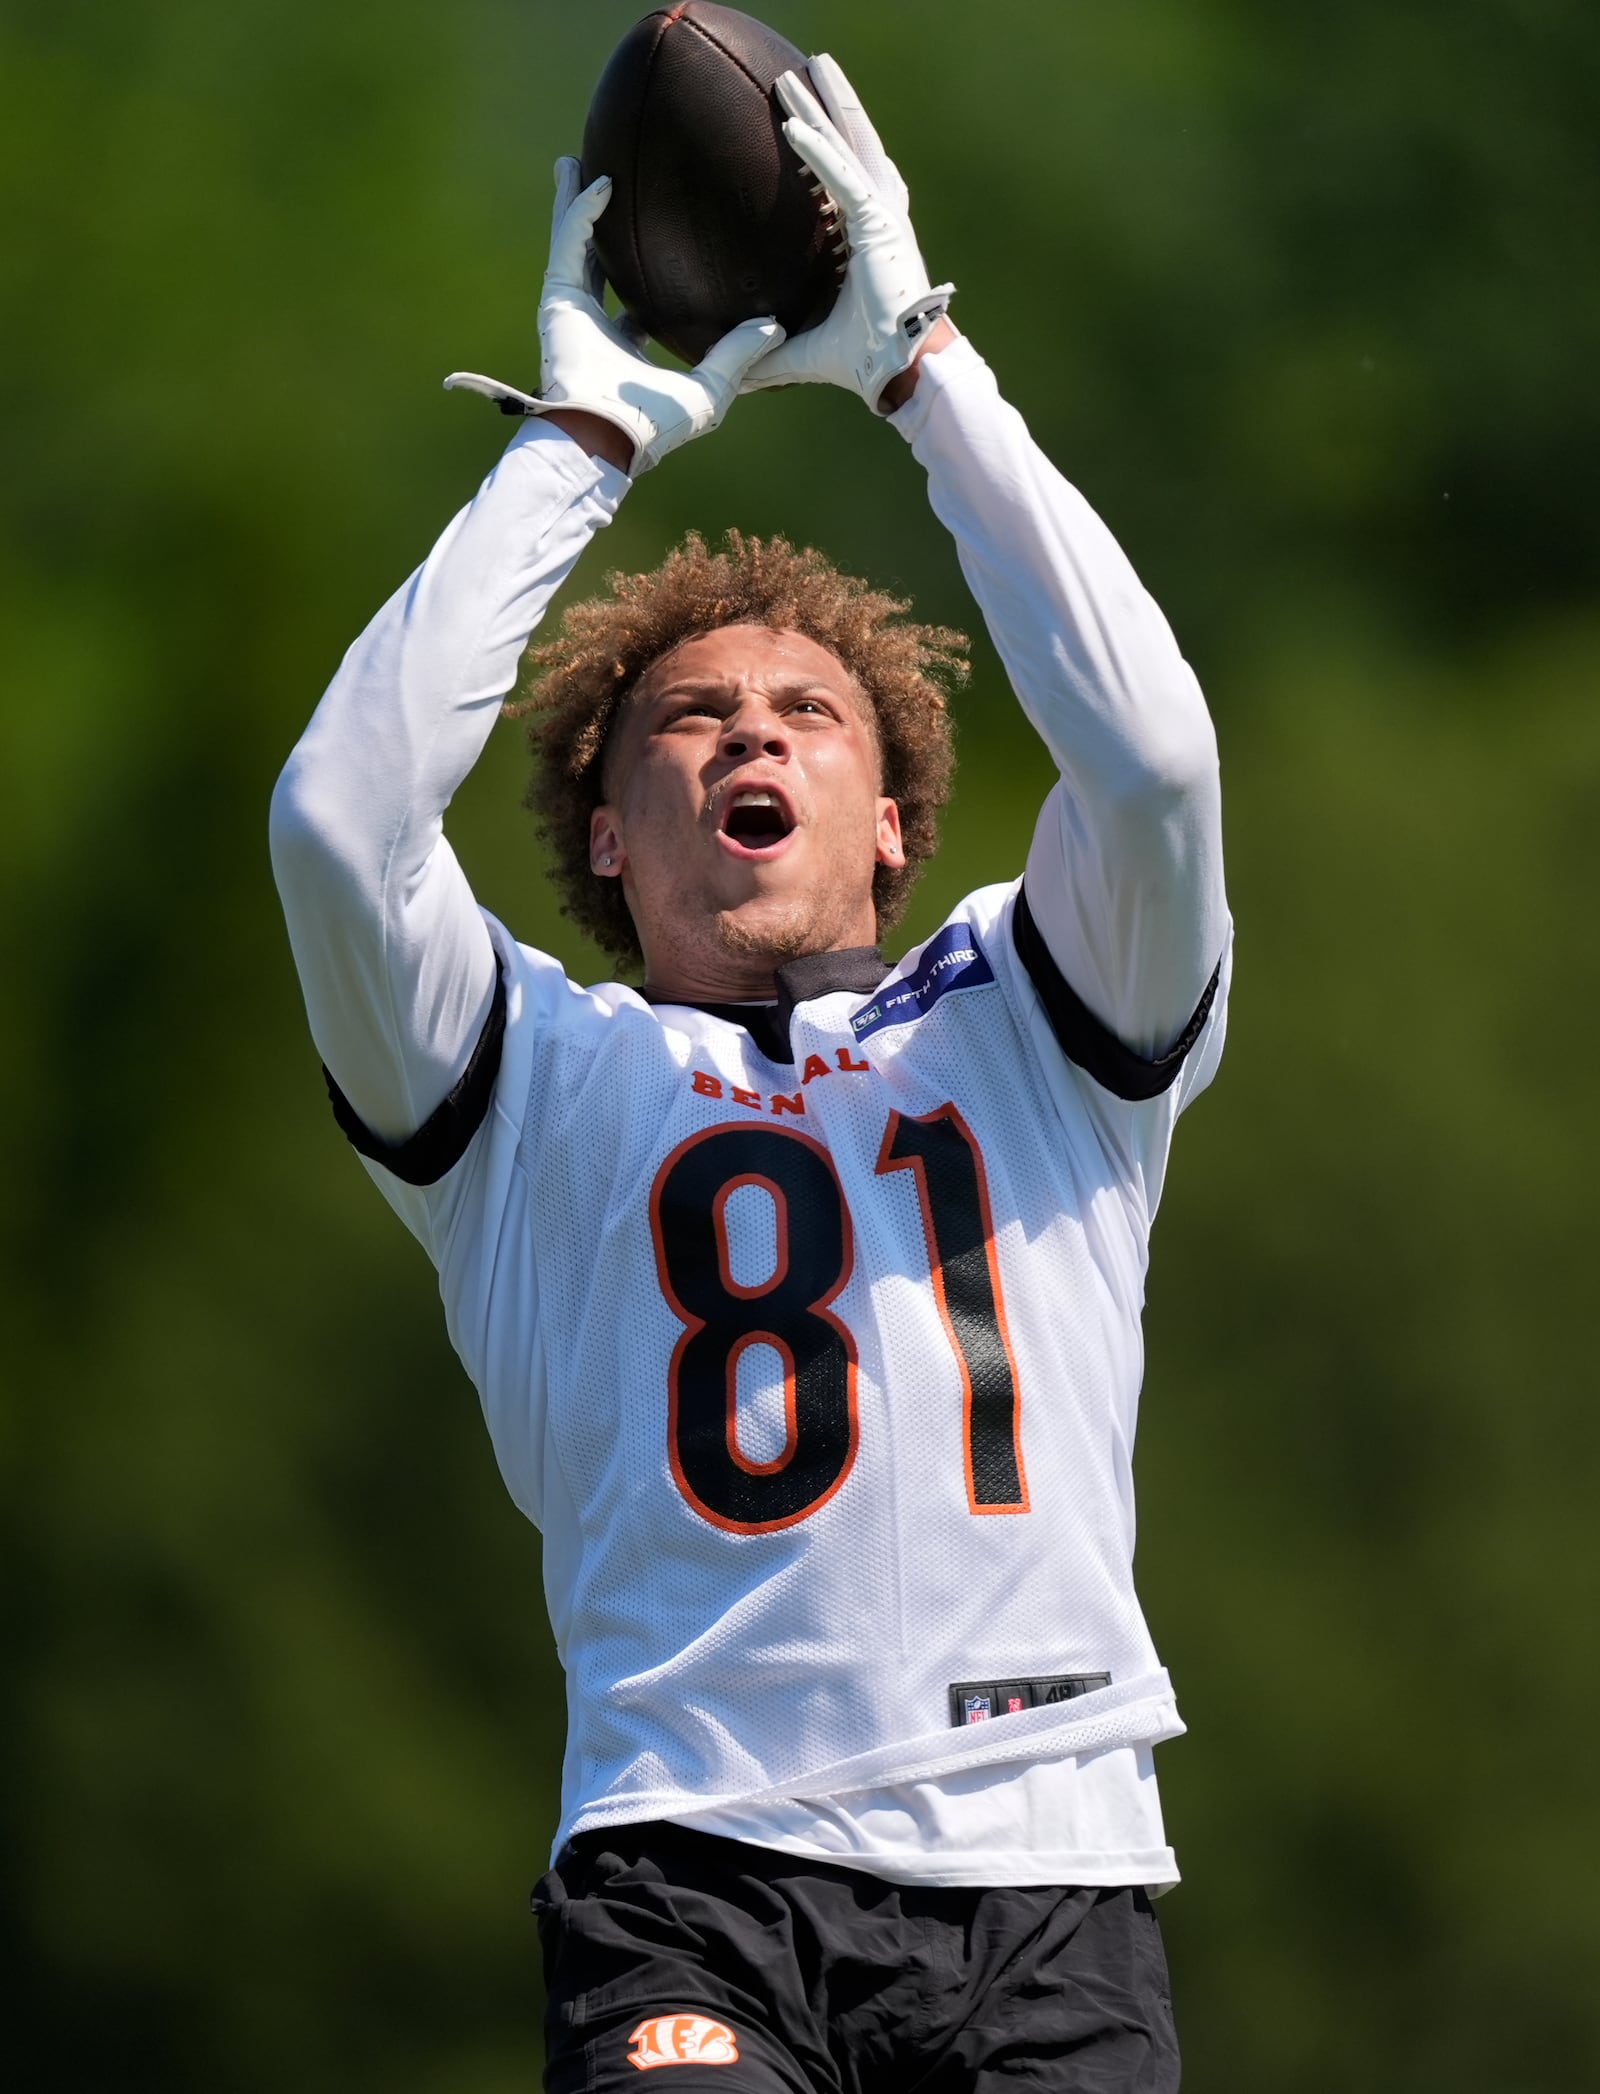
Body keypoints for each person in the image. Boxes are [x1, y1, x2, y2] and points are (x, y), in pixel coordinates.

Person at [271, 56, 1230, 2094]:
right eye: (687, 723)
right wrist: (581, 437)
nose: (747, 741)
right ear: (606, 837)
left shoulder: (1036, 1020)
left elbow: (1147, 763)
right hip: (688, 1870)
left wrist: (922, 376)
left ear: (892, 820)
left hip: (1049, 1867)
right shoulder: (531, 1093)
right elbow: (341, 829)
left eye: (805, 715)